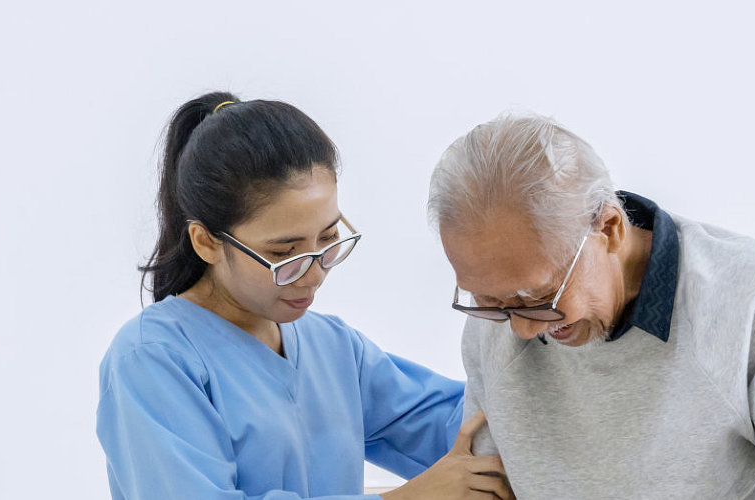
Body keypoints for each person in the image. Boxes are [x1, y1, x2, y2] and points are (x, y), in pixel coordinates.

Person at [427, 112, 755, 499]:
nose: (523, 330)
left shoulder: (744, 293)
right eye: (490, 304)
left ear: (608, 228)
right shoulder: (501, 320)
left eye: (540, 299)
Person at [98, 92, 512, 500]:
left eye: (329, 240)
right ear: (206, 242)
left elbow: (462, 425)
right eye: (283, 254)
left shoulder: (333, 348)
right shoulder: (153, 358)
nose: (314, 275)